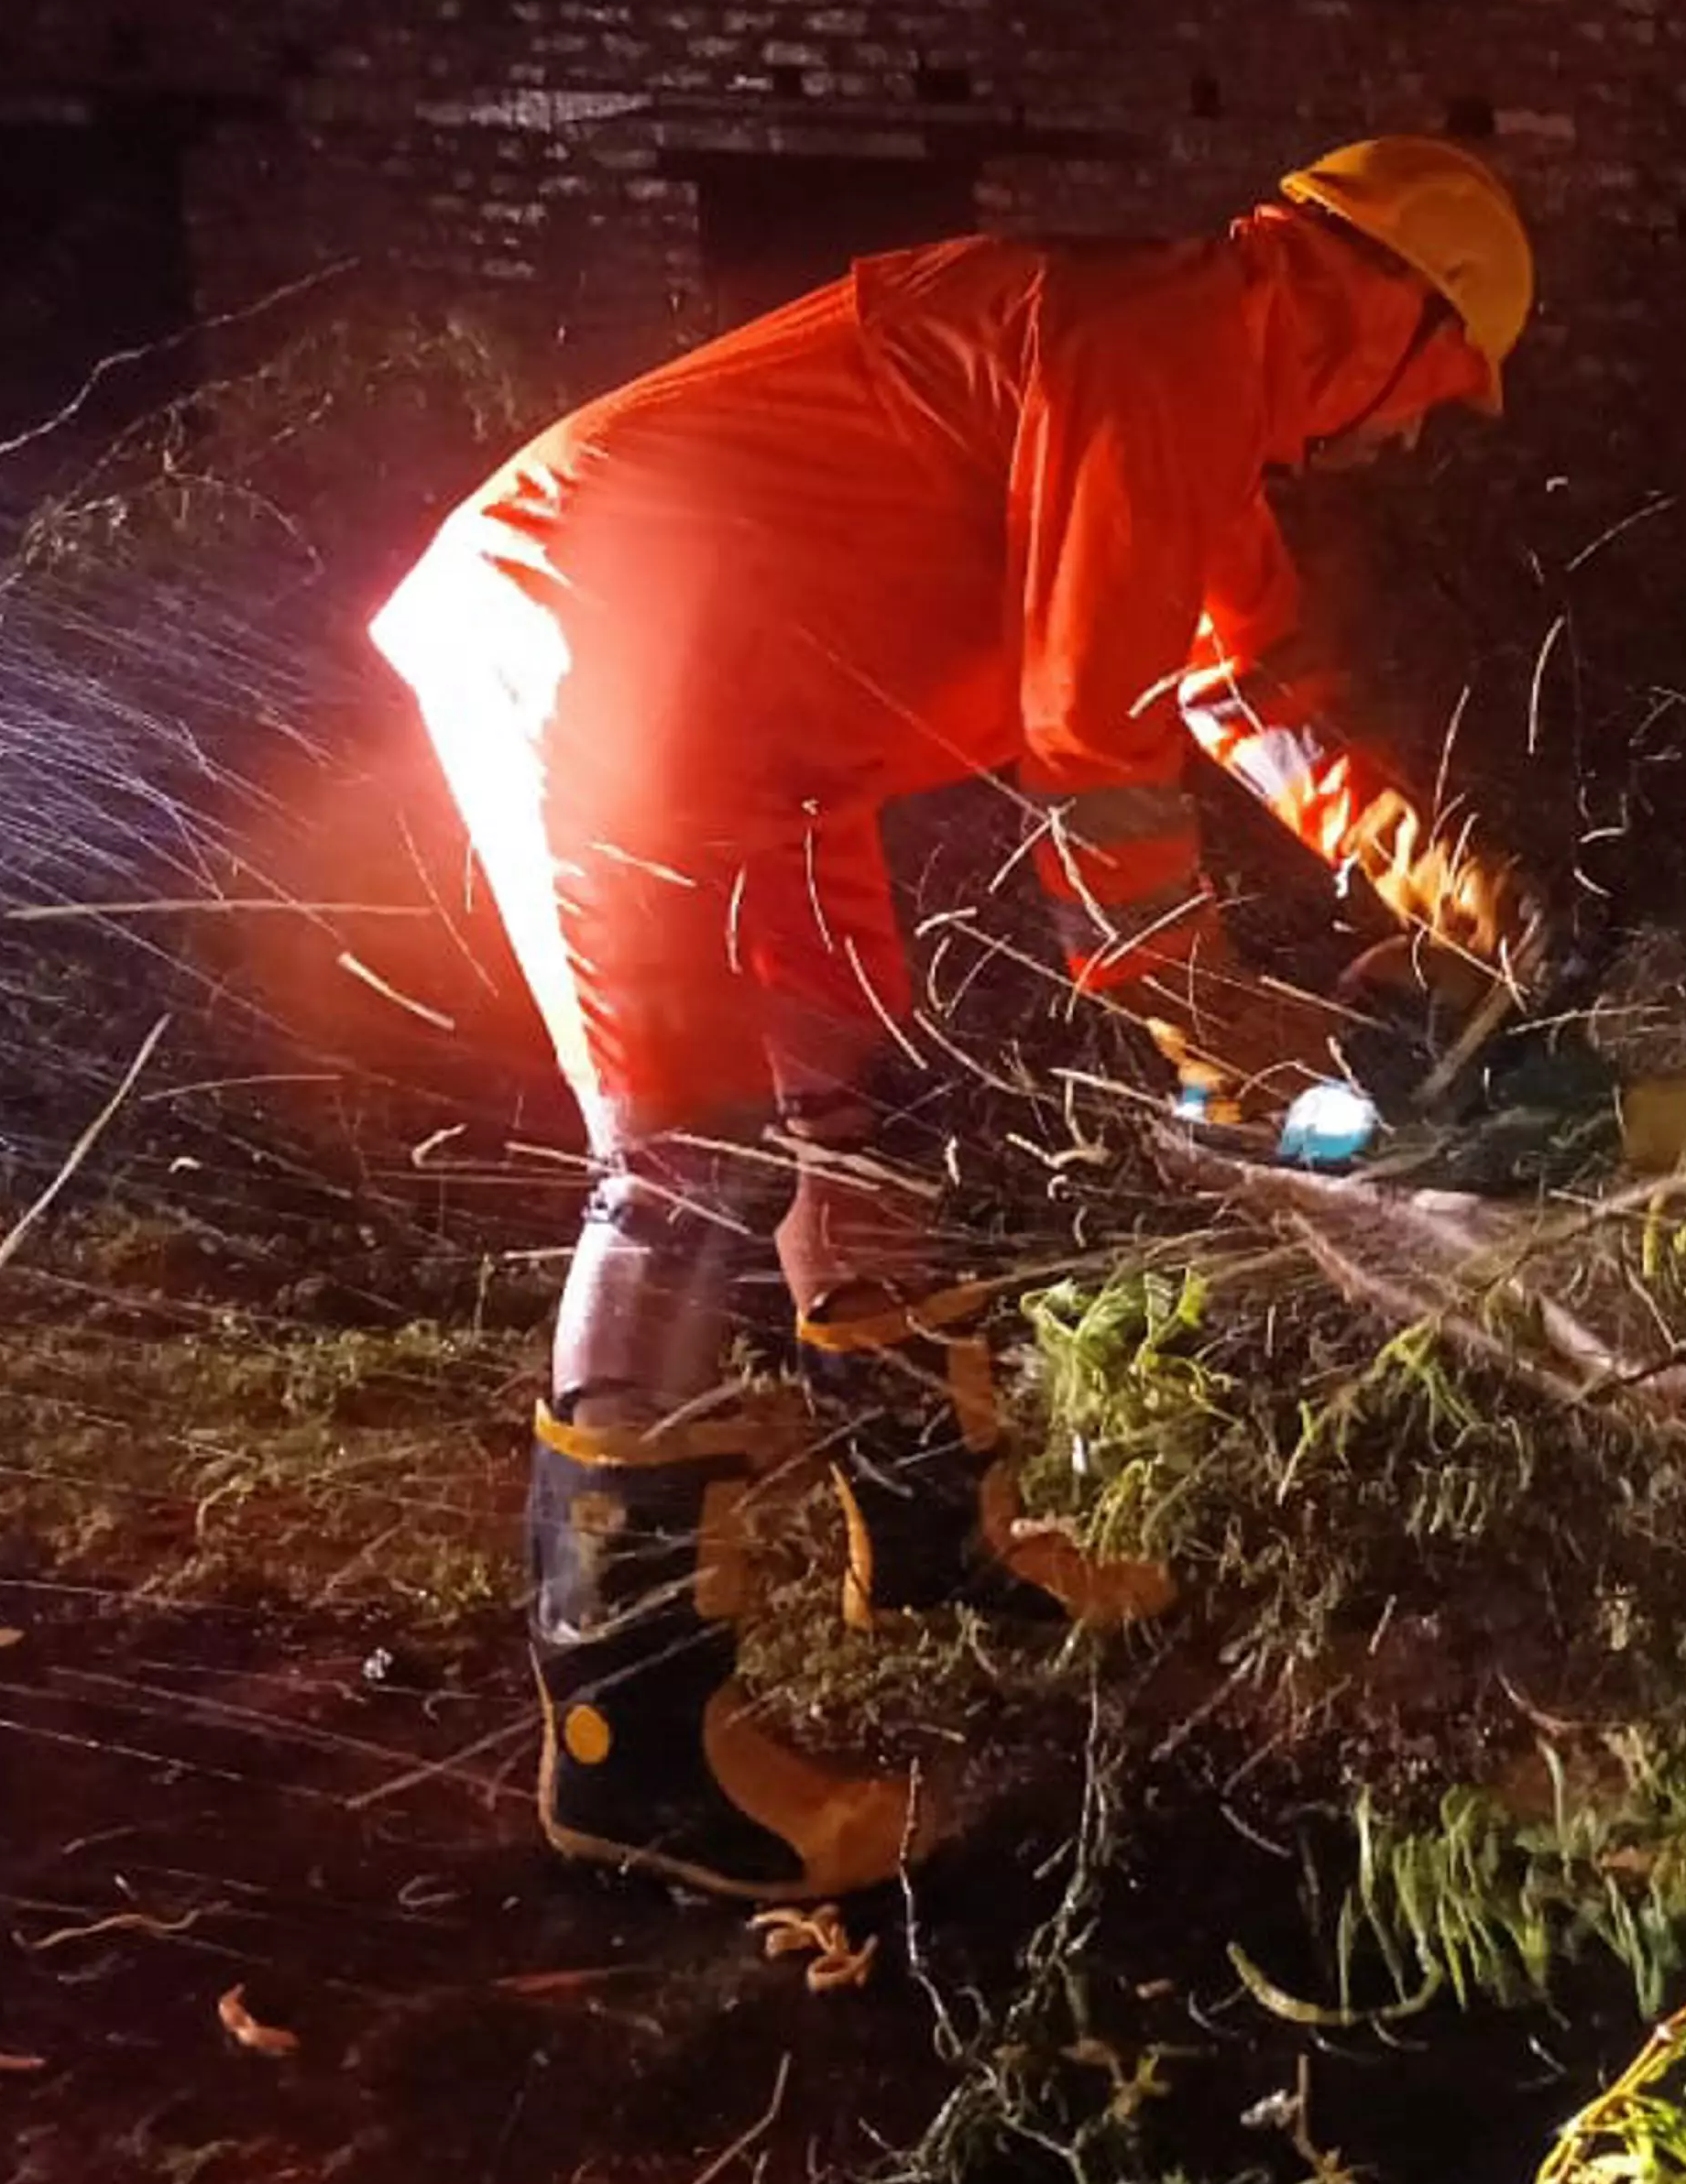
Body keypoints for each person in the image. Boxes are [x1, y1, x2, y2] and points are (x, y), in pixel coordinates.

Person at [373, 137, 1549, 1900]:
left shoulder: (1187, 386)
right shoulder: (1160, 341)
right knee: (682, 1171)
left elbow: (1237, 683)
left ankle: (935, 1544)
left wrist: (1440, 867)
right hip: (598, 660)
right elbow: (1092, 747)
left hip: (757, 732)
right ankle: (631, 1754)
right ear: (1387, 300)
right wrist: (1199, 1015)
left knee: (874, 1113)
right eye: (1437, 387)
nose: (1403, 434)